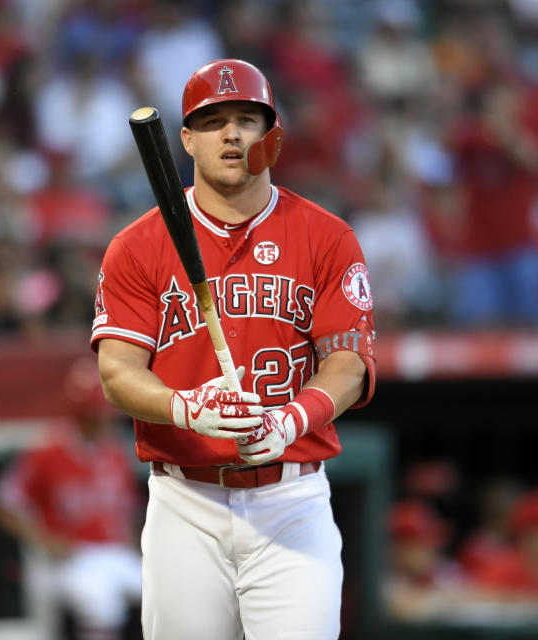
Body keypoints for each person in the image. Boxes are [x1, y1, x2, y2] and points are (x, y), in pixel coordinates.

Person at [92, 59, 376, 639]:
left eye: (248, 119)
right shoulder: (138, 245)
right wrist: (185, 407)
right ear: (187, 139)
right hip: (184, 502)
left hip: (291, 498)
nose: (232, 134)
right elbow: (117, 372)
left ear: (271, 138)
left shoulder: (327, 236)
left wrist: (296, 417)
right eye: (214, 120)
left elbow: (349, 364)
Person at [0, 357, 142, 640]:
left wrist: (134, 543)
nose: (104, 419)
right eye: (96, 413)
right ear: (80, 414)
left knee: (163, 592)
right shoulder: (47, 450)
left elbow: (127, 511)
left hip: (113, 552)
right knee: (102, 601)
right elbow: (2, 503)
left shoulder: (115, 452)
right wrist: (42, 538)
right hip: (69, 557)